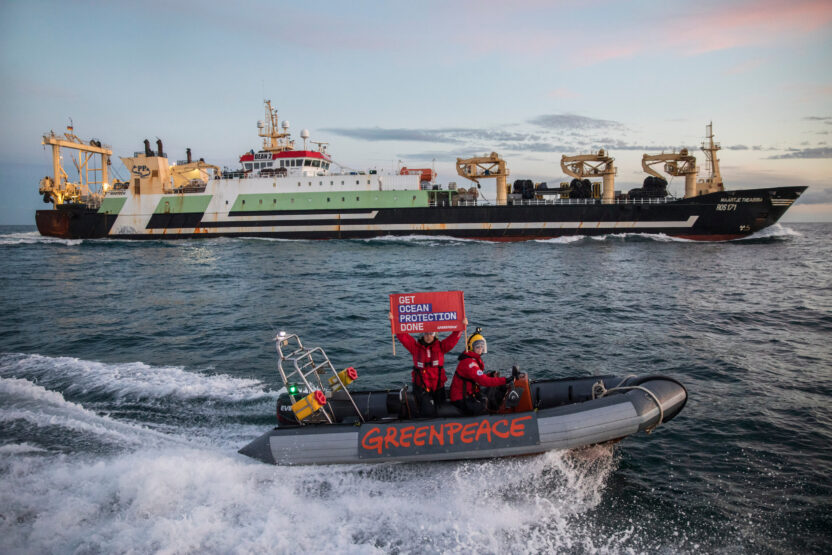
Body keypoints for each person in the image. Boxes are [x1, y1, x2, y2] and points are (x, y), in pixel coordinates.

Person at [390, 312, 466, 417]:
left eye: (431, 333)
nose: (428, 336)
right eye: (426, 333)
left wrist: (461, 327)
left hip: (438, 387)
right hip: (421, 388)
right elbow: (402, 335)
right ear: (422, 334)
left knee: (441, 410)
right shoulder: (415, 347)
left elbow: (453, 338)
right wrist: (393, 321)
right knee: (426, 412)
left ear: (435, 335)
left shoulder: (441, 347)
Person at [450, 328, 512, 415]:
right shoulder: (469, 363)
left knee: (488, 396)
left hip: (468, 393)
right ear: (471, 347)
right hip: (461, 398)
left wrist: (489, 375)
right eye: (477, 347)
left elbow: (475, 377)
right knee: (482, 408)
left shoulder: (472, 359)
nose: (480, 349)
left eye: (481, 346)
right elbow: (483, 381)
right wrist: (505, 380)